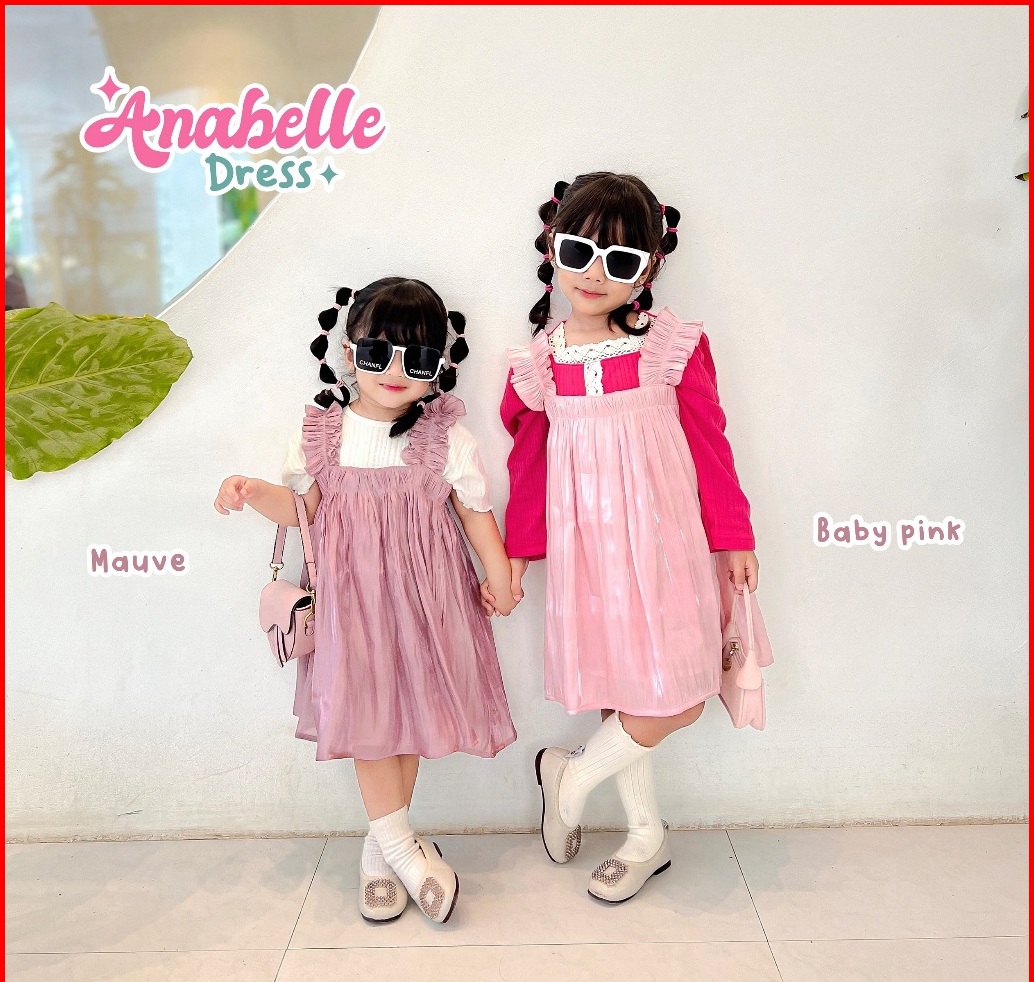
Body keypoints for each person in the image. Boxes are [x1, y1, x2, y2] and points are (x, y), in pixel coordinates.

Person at [487, 173, 760, 903]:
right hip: (589, 554)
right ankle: (646, 837)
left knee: (680, 693)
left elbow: (710, 442)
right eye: (579, 251)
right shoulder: (536, 368)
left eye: (620, 259)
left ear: (648, 269)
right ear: (552, 249)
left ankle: (569, 778)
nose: (594, 273)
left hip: (665, 545)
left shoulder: (671, 348)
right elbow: (527, 469)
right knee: (622, 690)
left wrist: (734, 535)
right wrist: (517, 559)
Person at [215, 278, 518, 925]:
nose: (395, 371)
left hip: (426, 604)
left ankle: (381, 851)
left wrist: (501, 577)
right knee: (371, 728)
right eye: (378, 353)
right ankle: (406, 853)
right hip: (352, 608)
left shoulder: (444, 439)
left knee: (403, 724)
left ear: (439, 364)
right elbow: (301, 510)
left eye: (418, 358)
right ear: (350, 353)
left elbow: (476, 513)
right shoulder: (323, 434)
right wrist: (252, 491)